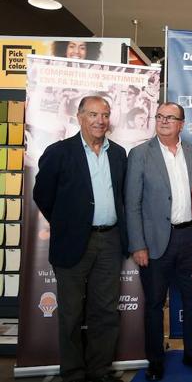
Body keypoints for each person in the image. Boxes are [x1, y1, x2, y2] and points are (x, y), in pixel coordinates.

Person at [33, 95, 128, 382]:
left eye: (105, 114)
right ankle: (73, 374)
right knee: (71, 315)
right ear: (80, 117)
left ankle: (100, 371)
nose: (100, 120)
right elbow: (43, 196)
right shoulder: (59, 152)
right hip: (73, 242)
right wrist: (67, 224)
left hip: (110, 242)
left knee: (106, 312)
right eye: (93, 114)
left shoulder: (118, 153)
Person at [125, 102, 192, 380]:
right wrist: (138, 244)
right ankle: (156, 362)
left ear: (182, 124)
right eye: (159, 116)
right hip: (154, 242)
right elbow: (132, 203)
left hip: (190, 239)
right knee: (153, 304)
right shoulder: (140, 154)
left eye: (170, 118)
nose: (163, 121)